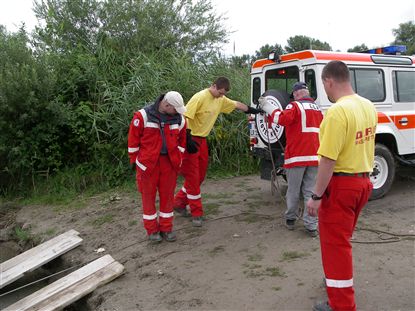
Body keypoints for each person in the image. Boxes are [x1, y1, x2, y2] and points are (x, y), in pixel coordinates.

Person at [306, 61, 377, 311]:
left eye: (322, 85)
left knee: (336, 247)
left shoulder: (337, 111)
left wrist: (315, 195)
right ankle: (335, 283)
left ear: (328, 81)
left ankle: (342, 305)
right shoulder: (367, 105)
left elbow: (327, 159)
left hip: (341, 187)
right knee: (342, 240)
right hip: (363, 183)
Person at [173, 77, 262, 227]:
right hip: (190, 140)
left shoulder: (220, 99)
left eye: (223, 94)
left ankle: (178, 202)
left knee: (200, 176)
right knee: (193, 177)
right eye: (220, 93)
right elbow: (183, 117)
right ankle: (197, 214)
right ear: (213, 86)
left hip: (202, 141)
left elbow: (236, 105)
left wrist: (255, 111)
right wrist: (187, 138)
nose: (221, 96)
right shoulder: (199, 97)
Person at [258, 82, 323, 237]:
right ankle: (311, 226)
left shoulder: (294, 106)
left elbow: (281, 119)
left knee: (293, 190)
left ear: (296, 94)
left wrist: (267, 106)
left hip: (297, 157)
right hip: (315, 156)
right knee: (309, 191)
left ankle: (291, 219)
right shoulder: (318, 109)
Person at [128, 91, 187, 243]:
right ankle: (152, 230)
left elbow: (182, 141)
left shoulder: (179, 119)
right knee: (148, 197)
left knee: (167, 197)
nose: (177, 112)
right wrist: (135, 162)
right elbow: (133, 141)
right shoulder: (143, 116)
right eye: (175, 109)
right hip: (148, 165)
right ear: (166, 105)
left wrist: (178, 158)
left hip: (169, 164)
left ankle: (166, 229)